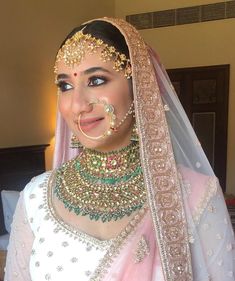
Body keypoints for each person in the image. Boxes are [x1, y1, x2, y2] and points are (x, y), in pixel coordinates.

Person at [4, 17, 235, 281]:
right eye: (65, 85)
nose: (78, 104)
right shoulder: (35, 197)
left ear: (138, 87)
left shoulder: (196, 194)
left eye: (97, 80)